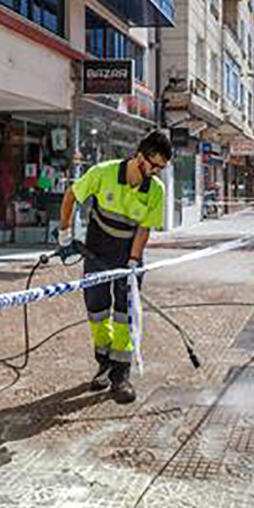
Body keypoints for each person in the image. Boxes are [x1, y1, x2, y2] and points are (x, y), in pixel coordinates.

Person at [58, 130, 172, 404]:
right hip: (96, 252)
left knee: (125, 314)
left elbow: (144, 228)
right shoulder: (103, 173)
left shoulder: (155, 189)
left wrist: (133, 261)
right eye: (154, 165)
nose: (156, 172)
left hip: (128, 256)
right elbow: (71, 195)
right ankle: (104, 363)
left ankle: (121, 375)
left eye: (161, 168)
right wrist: (64, 234)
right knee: (97, 310)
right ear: (140, 156)